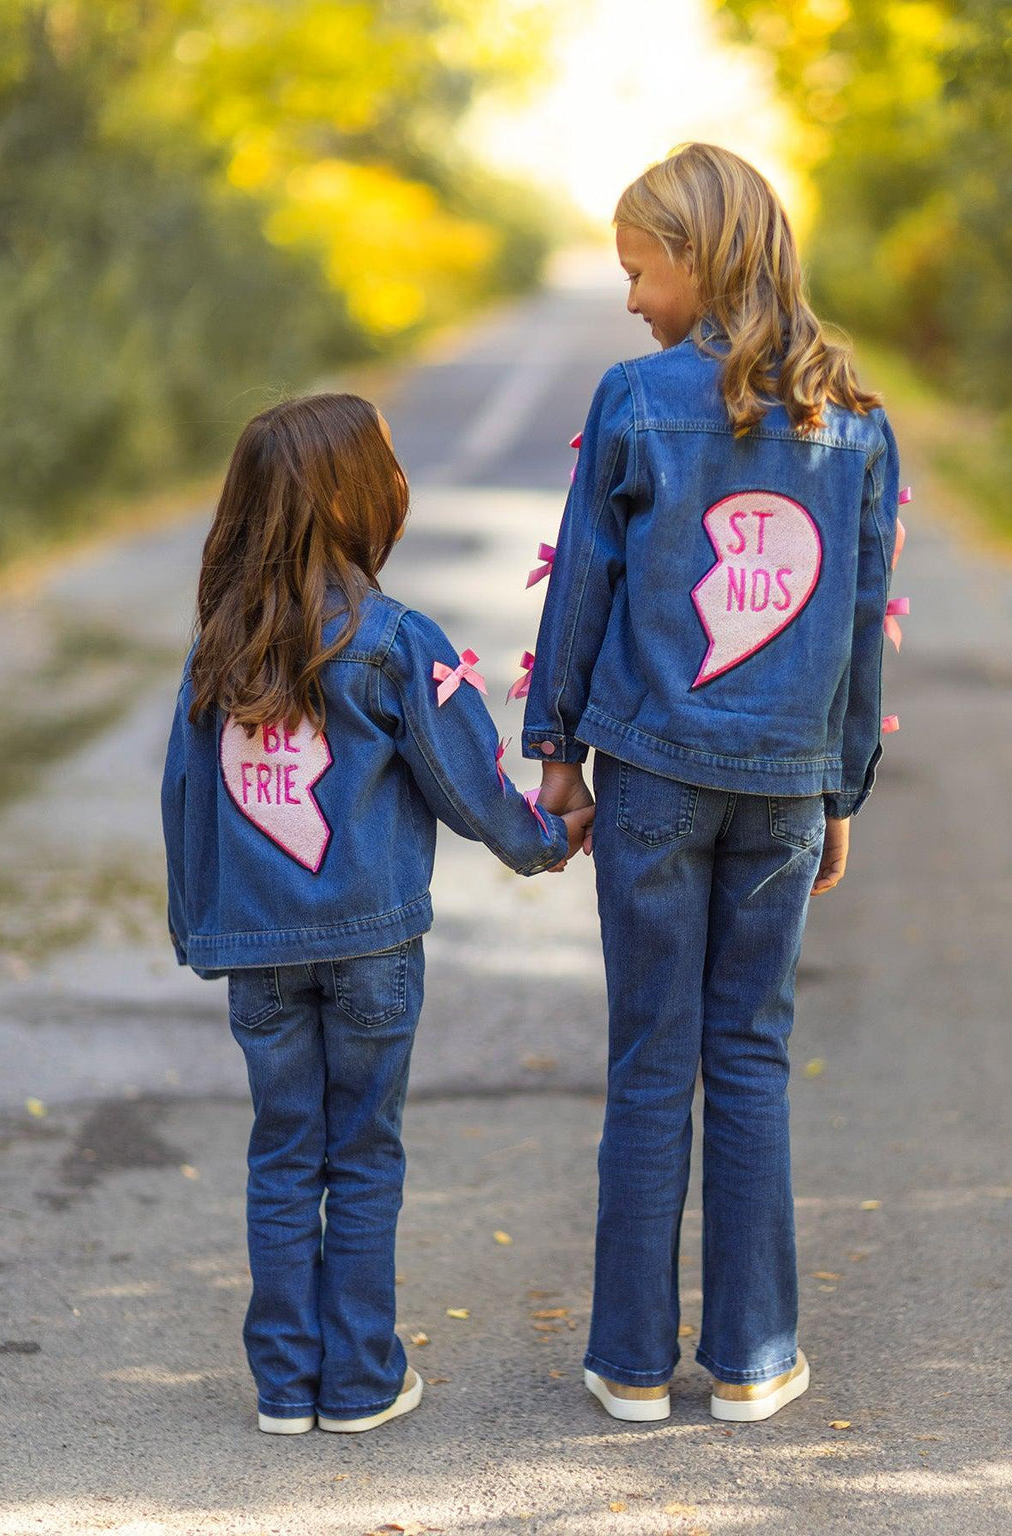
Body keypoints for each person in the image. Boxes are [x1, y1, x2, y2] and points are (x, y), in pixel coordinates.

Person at [523, 143, 906, 1423]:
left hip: (653, 781)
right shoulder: (854, 417)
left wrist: (557, 754)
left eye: (638, 270)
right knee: (749, 1055)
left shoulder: (634, 402)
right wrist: (839, 790)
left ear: (697, 255)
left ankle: (631, 1363)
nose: (630, 299)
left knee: (649, 1063)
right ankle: (751, 1359)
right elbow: (854, 625)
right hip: (783, 789)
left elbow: (581, 590)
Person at [161, 393, 592, 1435]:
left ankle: (282, 1386)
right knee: (362, 1153)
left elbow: (185, 794)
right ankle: (356, 1379)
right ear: (361, 499)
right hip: (371, 948)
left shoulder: (220, 645)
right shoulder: (394, 639)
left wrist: (197, 927)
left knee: (282, 1153)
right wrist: (541, 841)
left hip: (258, 950)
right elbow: (462, 775)